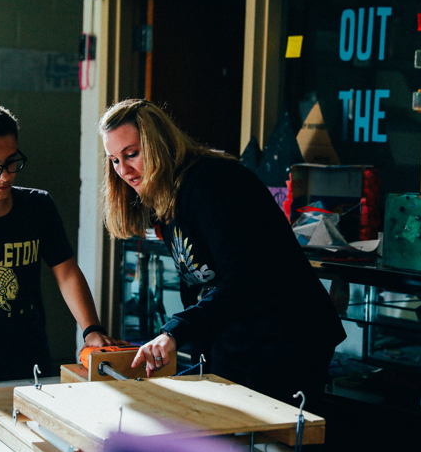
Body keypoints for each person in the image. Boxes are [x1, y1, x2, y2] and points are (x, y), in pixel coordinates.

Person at [99, 99, 346, 415]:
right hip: (242, 332)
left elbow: (244, 277)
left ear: (158, 144)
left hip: (288, 335)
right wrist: (196, 352)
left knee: (272, 446)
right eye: (114, 160)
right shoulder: (164, 194)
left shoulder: (210, 182)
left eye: (132, 154)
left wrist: (176, 331)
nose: (124, 170)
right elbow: (198, 284)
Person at [0, 99, 124, 384]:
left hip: (32, 361)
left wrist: (91, 329)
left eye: (11, 162)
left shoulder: (37, 206)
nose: (5, 175)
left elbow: (67, 272)